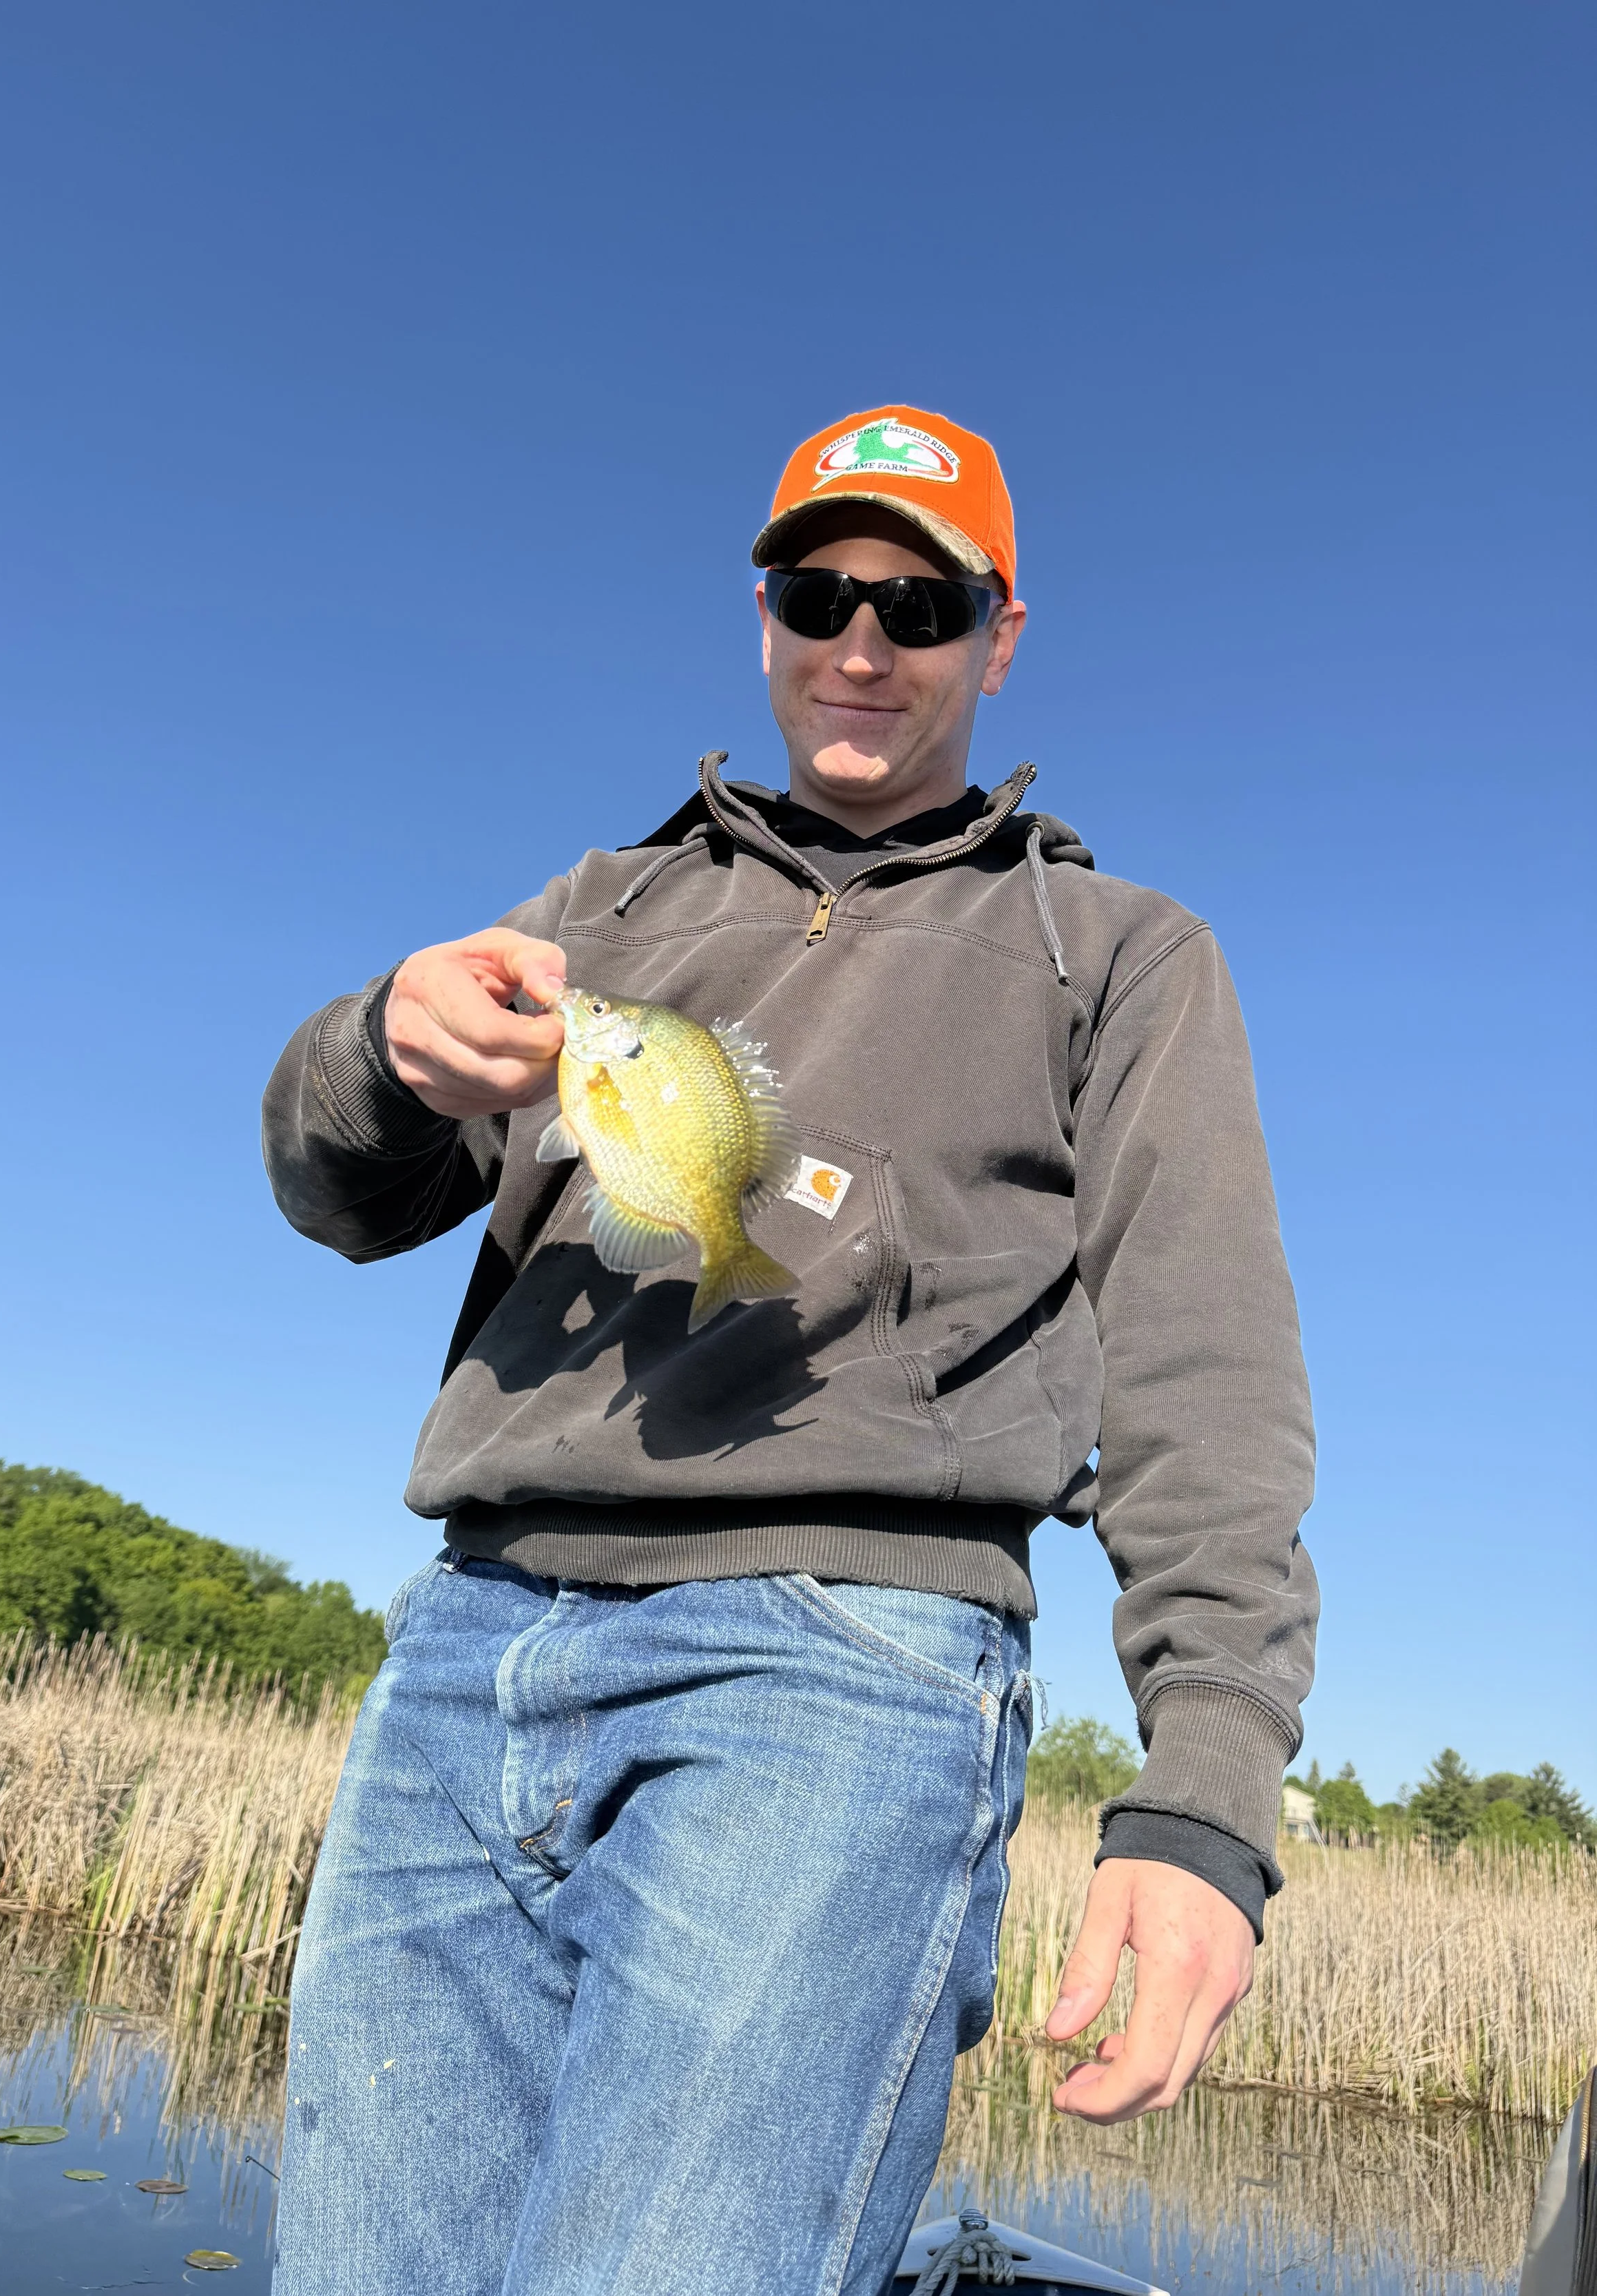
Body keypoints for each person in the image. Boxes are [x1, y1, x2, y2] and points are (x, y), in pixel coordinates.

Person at [262, 404, 1319, 2296]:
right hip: (464, 1644)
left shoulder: (1116, 952)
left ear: (999, 639)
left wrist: (1207, 1795)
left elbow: (1207, 1379)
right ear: (761, 616)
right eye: (820, 594)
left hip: (841, 1678)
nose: (863, 642)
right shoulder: (601, 910)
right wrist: (381, 1051)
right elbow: (339, 1196)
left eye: (923, 604)